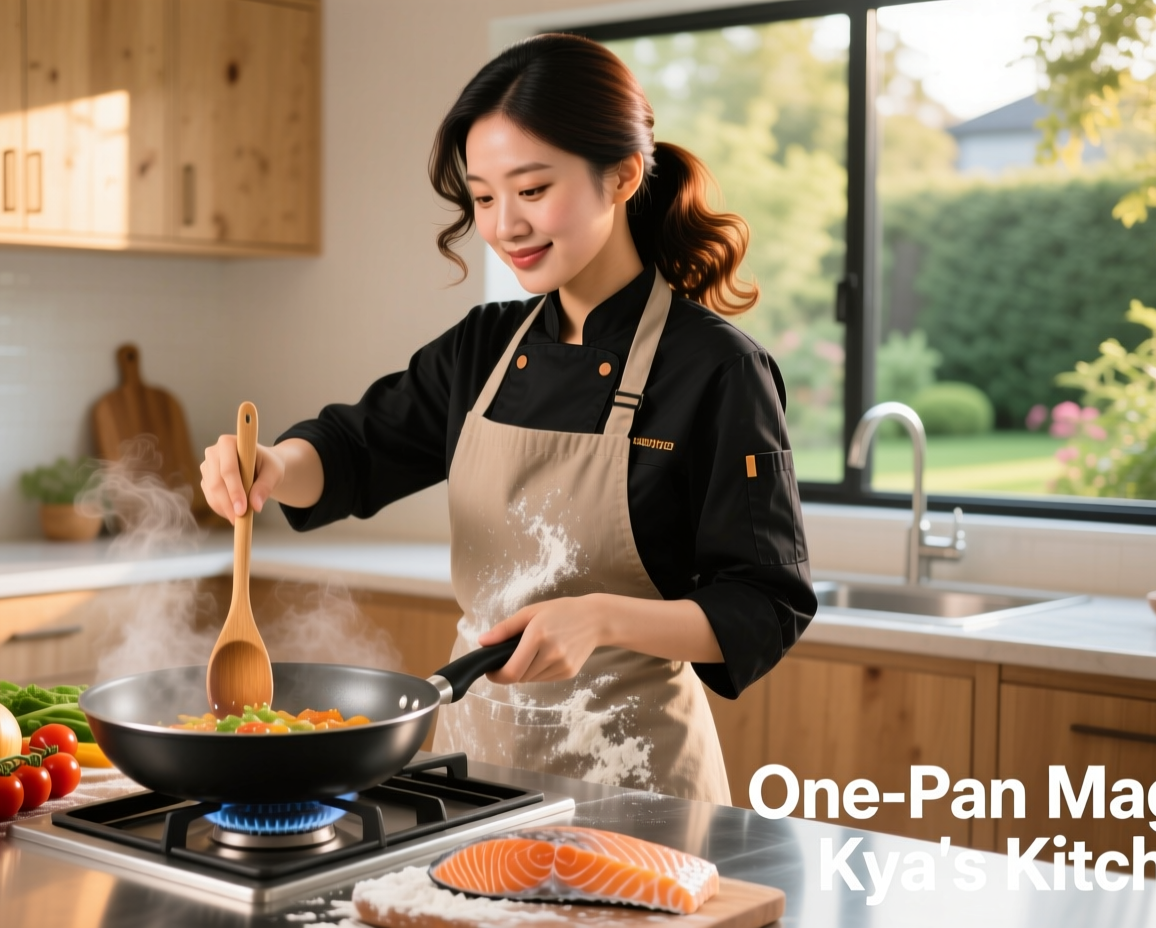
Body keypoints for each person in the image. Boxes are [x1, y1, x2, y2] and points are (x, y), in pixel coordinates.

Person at [199, 34, 815, 804]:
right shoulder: (484, 347)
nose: (504, 225)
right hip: (475, 767)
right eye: (484, 198)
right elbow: (357, 446)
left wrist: (600, 619)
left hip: (638, 779)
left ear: (621, 175)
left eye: (531, 190)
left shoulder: (715, 368)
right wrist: (272, 467)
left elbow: (767, 600)